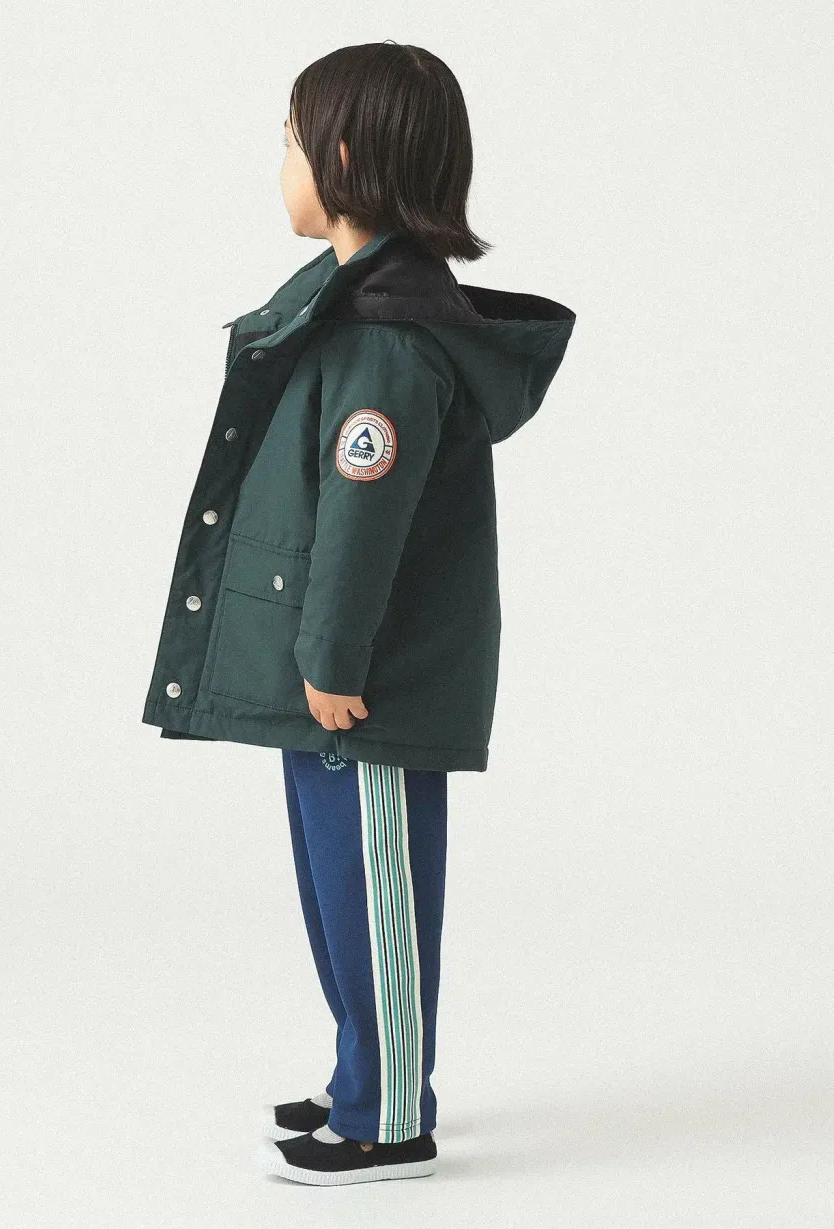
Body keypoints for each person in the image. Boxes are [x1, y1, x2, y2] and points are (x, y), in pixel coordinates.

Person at [141, 41, 576, 1185]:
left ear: (340, 155)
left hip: (360, 685)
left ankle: (386, 1117)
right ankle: (359, 1074)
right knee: (338, 883)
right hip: (329, 675)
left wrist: (330, 656)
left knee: (377, 891)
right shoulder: (351, 309)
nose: (279, 164)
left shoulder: (384, 339)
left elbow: (360, 518)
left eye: (288, 142)